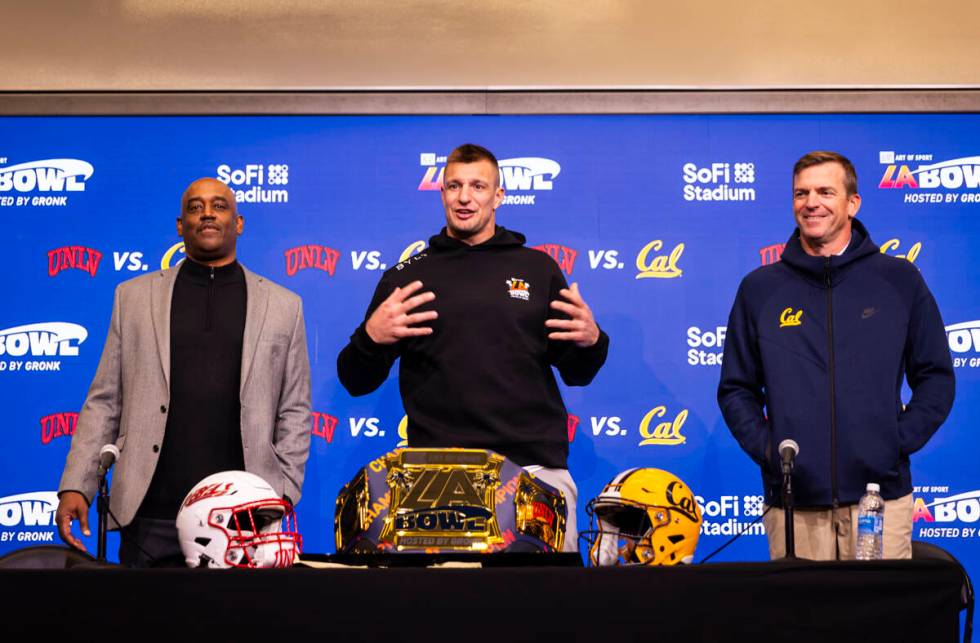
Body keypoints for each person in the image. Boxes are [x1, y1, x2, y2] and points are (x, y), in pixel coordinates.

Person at [337, 144, 609, 551]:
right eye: (454, 186)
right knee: (446, 613)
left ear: (499, 196)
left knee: (548, 608)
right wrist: (370, 337)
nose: (465, 197)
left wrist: (592, 340)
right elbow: (355, 380)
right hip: (435, 477)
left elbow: (578, 371)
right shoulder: (406, 277)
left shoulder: (538, 269)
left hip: (533, 471)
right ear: (442, 193)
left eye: (478, 186)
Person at [56, 178, 312, 567]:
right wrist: (77, 485)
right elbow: (105, 400)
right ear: (180, 226)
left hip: (243, 520)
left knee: (243, 628)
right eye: (195, 207)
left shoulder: (283, 306)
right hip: (148, 513)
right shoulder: (133, 297)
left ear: (239, 223)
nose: (207, 213)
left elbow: (295, 408)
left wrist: (282, 492)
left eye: (219, 206)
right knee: (145, 627)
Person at [718, 150, 954, 560]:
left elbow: (935, 375)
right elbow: (736, 388)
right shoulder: (759, 289)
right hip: (795, 506)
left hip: (880, 500)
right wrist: (774, 455)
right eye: (801, 193)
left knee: (881, 623)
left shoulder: (898, 280)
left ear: (853, 202)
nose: (811, 203)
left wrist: (893, 444)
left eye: (825, 191)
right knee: (801, 624)